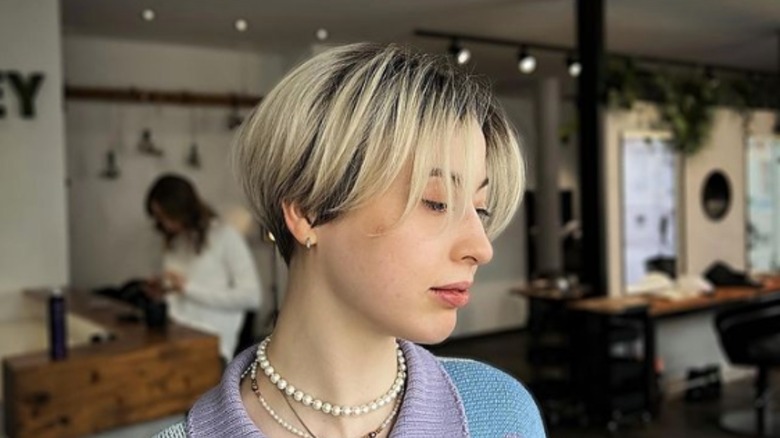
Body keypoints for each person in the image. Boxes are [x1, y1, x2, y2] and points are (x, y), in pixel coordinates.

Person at [155, 43, 545, 438]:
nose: (482, 248)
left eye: (479, 209)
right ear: (308, 212)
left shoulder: (500, 414)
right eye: (436, 202)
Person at [145, 174, 262, 362]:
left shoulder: (225, 237)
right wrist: (162, 291)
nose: (162, 224)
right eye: (158, 218)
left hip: (212, 350)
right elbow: (179, 298)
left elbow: (251, 297)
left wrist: (188, 288)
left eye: (164, 216)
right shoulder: (176, 242)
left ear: (180, 208)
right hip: (175, 339)